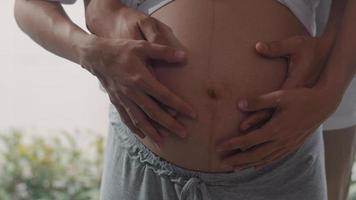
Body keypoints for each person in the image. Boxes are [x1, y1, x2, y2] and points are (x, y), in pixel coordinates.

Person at [13, 0, 354, 200]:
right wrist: (87, 50)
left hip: (279, 162)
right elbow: (28, 5)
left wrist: (332, 89)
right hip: (143, 158)